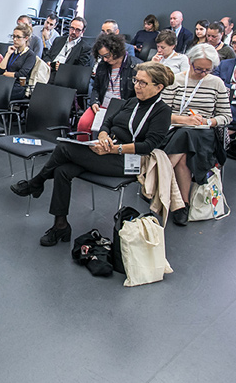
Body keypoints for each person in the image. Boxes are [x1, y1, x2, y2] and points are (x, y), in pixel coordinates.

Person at [10, 62, 174, 246]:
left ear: (159, 87)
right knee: (62, 171)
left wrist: (114, 149)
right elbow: (108, 122)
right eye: (136, 80)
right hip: (108, 150)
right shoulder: (132, 102)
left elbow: (148, 146)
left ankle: (36, 183)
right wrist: (103, 136)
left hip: (130, 161)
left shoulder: (163, 112)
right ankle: (60, 225)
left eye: (143, 83)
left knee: (64, 148)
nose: (137, 86)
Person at [160, 44, 232, 226]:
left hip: (205, 134)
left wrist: (208, 122)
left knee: (187, 137)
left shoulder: (216, 83)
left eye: (207, 70)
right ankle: (182, 203)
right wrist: (184, 120)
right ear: (190, 62)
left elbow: (226, 116)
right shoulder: (175, 80)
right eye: (199, 69)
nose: (203, 73)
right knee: (185, 145)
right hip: (176, 129)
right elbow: (162, 114)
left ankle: (161, 179)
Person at [76, 34, 136, 138]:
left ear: (116, 51)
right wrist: (94, 102)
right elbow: (96, 87)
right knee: (83, 124)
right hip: (102, 105)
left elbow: (135, 97)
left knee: (113, 130)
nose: (105, 59)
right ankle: (82, 147)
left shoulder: (134, 66)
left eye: (107, 55)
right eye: (102, 57)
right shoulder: (103, 65)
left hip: (122, 108)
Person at [0, 23, 36, 101]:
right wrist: (8, 54)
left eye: (18, 37)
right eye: (13, 36)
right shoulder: (12, 51)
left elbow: (21, 74)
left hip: (19, 86)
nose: (14, 39)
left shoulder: (30, 55)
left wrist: (5, 73)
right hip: (6, 82)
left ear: (26, 38)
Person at [45, 16, 91, 83]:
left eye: (78, 30)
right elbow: (47, 55)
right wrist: (48, 62)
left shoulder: (85, 48)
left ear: (82, 31)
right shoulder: (58, 40)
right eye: (72, 28)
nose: (74, 32)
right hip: (49, 70)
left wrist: (63, 68)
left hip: (65, 77)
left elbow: (80, 69)